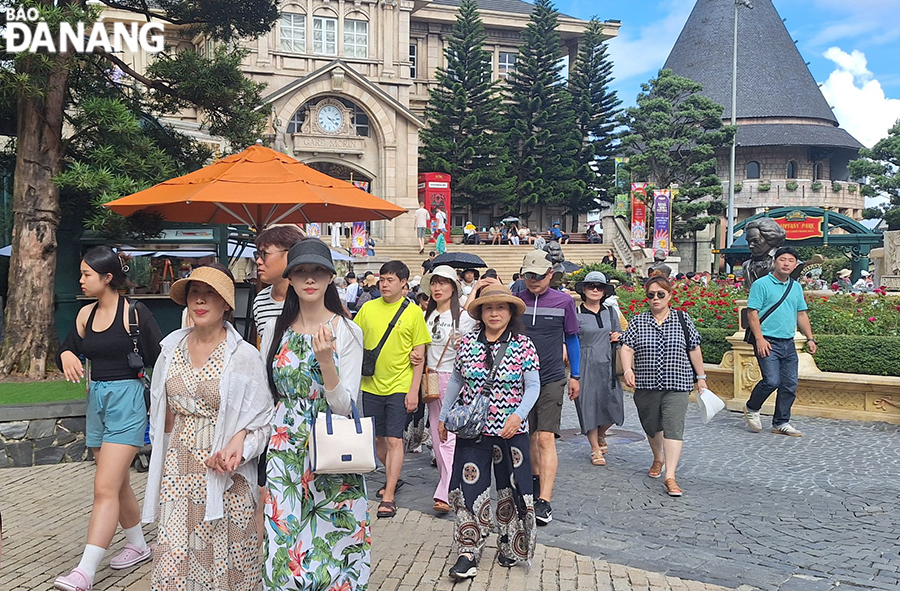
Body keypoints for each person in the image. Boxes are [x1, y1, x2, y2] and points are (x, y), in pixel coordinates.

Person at [142, 264, 273, 590]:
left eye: (210, 293)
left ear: (227, 303)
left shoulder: (243, 356)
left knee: (226, 566)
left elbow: (263, 421)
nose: (200, 301)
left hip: (227, 477)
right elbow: (162, 416)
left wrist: (239, 449)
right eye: (194, 293)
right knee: (173, 562)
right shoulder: (170, 350)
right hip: (178, 472)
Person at [259, 239, 370, 590]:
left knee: (335, 545)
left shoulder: (347, 331)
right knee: (282, 545)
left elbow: (344, 405)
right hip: (283, 452)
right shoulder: (275, 330)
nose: (310, 279)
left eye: (318, 271)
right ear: (289, 278)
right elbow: (265, 398)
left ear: (330, 278)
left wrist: (326, 362)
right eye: (302, 271)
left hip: (331, 449)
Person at [54, 247, 162, 591]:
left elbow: (158, 361)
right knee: (116, 483)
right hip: (97, 400)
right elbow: (66, 349)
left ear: (107, 277)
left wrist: (162, 409)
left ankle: (85, 571)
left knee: (103, 487)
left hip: (128, 399)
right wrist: (67, 353)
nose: (81, 280)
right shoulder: (84, 315)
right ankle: (139, 546)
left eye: (87, 274)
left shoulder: (135, 313)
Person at [439, 284, 540, 581]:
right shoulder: (468, 343)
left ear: (510, 312)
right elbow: (457, 381)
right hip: (473, 429)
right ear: (481, 313)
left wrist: (519, 415)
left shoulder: (523, 344)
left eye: (501, 307)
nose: (494, 313)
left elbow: (533, 385)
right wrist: (444, 418)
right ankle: (468, 551)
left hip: (511, 431)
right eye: (488, 308)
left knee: (512, 489)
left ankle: (510, 544)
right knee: (469, 487)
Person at [354, 261, 430, 518]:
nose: (384, 284)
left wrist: (413, 391)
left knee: (395, 439)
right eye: (382, 279)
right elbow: (354, 340)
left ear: (403, 284)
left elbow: (419, 354)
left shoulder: (413, 312)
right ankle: (392, 475)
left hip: (399, 384)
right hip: (371, 384)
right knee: (377, 441)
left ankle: (389, 494)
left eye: (390, 280)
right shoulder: (367, 308)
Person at [619, 277, 707, 497]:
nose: (656, 299)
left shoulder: (682, 319)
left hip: (678, 383)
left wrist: (701, 377)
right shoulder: (639, 321)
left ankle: (671, 475)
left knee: (673, 426)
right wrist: (628, 369)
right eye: (651, 295)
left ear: (669, 295)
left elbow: (694, 349)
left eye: (660, 294)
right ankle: (658, 457)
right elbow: (627, 347)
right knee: (651, 425)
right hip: (646, 384)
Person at [516, 250, 580, 525]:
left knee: (545, 437)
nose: (533, 281)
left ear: (550, 275)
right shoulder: (516, 300)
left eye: (539, 276)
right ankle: (532, 480)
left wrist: (575, 374)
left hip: (551, 377)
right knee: (527, 436)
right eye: (529, 275)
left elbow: (573, 339)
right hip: (518, 378)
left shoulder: (564, 302)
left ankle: (545, 499)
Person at [251, 225, 304, 537]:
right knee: (263, 490)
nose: (258, 261)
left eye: (264, 254)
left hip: (299, 408)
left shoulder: (309, 299)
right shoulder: (259, 300)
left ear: (289, 257)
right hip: (266, 406)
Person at [417, 266, 476, 515]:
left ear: (454, 286)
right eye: (434, 283)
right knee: (436, 434)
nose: (437, 288)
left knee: (447, 436)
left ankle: (446, 490)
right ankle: (450, 485)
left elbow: (474, 350)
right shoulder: (426, 316)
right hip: (429, 379)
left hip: (453, 380)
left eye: (443, 283)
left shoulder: (464, 317)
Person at [743, 247, 817, 438]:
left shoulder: (796, 287)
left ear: (795, 264)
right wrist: (759, 339)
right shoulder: (762, 284)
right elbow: (752, 313)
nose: (786, 263)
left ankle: (781, 422)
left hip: (788, 342)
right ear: (775, 262)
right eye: (782, 259)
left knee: (789, 384)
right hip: (767, 340)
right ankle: (752, 407)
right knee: (771, 381)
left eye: (791, 260)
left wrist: (810, 338)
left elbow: (801, 313)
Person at [573, 272, 624, 466]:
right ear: (584, 289)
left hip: (608, 362)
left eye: (599, 287)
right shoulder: (576, 313)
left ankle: (601, 433)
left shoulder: (611, 312)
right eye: (591, 286)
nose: (595, 290)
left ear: (604, 291)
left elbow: (620, 331)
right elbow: (570, 339)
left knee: (615, 405)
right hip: (585, 364)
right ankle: (595, 448)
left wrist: (618, 335)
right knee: (589, 406)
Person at [742, 218, 787, 289]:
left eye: (755, 241)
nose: (750, 246)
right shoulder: (746, 265)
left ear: (771, 239)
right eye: (749, 242)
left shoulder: (788, 264)